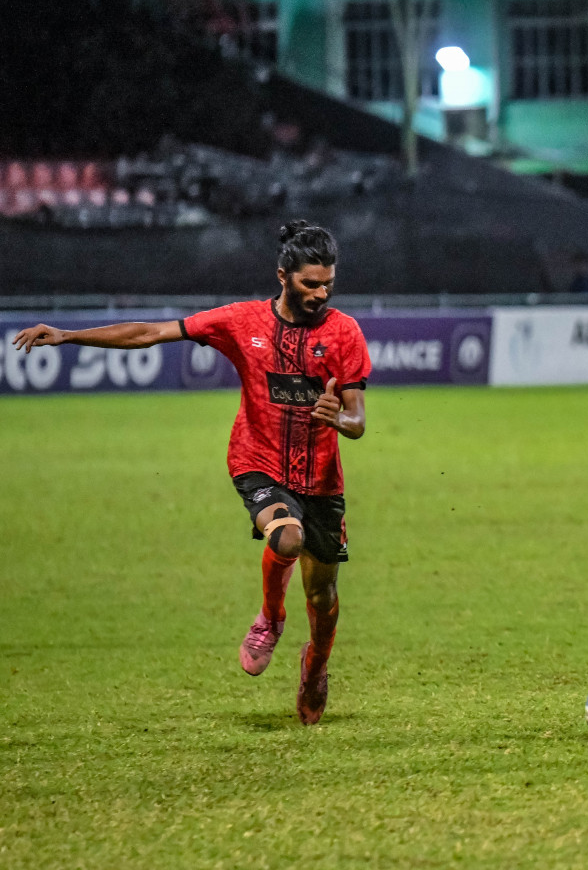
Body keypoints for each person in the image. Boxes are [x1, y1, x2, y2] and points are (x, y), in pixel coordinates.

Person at [10, 221, 370, 723]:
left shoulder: (344, 332)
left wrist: (342, 420)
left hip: (322, 478)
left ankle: (315, 667)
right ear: (283, 275)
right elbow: (153, 332)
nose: (321, 292)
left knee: (324, 597)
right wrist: (70, 335)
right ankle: (271, 616)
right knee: (286, 539)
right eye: (311, 283)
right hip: (257, 460)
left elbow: (357, 420)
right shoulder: (241, 322)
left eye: (328, 282)